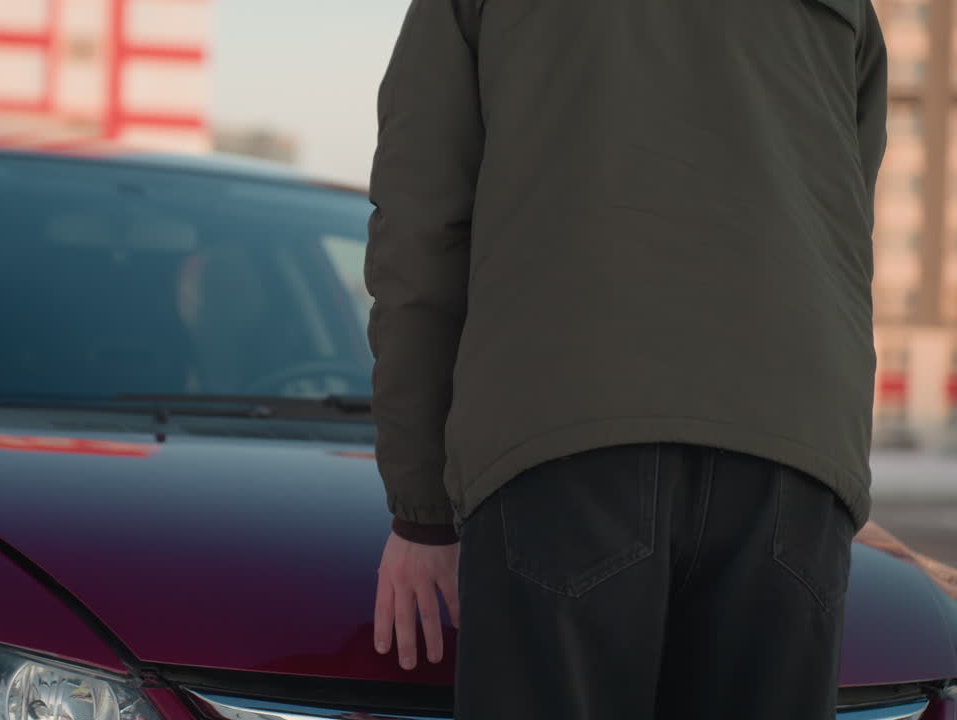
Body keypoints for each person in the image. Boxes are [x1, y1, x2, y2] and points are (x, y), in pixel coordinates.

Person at [364, 1, 888, 718]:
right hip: (794, 454)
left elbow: (420, 231)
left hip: (563, 441)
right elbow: (844, 221)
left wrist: (421, 512)